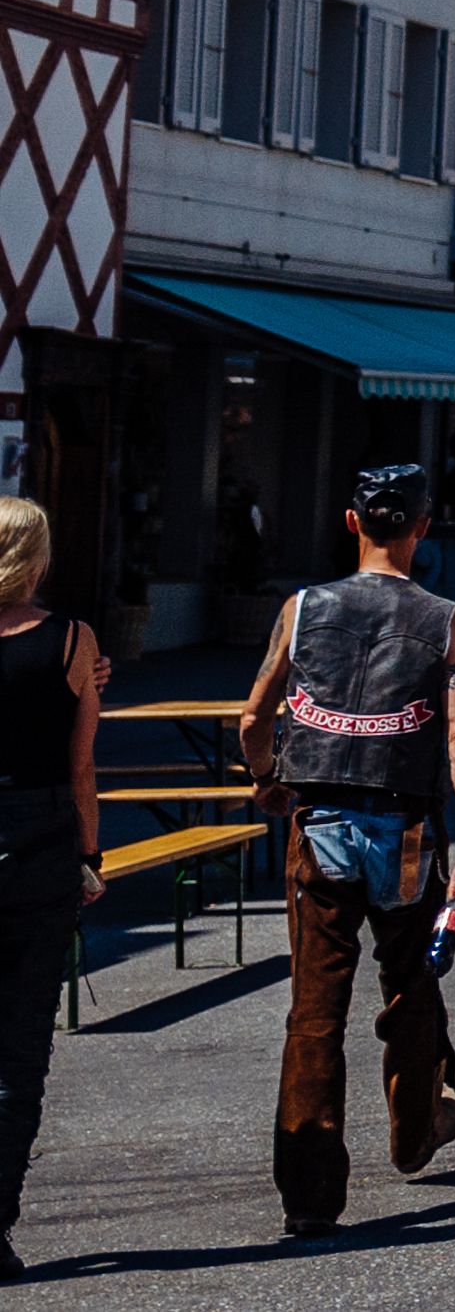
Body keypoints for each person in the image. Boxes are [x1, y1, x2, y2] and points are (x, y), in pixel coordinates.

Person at [239, 463, 455, 1237]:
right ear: (423, 526)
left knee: (314, 1011)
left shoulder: (303, 607)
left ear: (352, 524)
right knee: (408, 983)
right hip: (406, 827)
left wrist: (268, 783)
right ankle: (412, 1130)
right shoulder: (444, 617)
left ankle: (311, 1198)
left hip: (318, 819)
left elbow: (253, 717)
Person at [0, 499, 105, 1278]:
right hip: (38, 840)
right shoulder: (72, 639)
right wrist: (90, 854)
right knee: (21, 1046)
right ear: (36, 556)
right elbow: (81, 764)